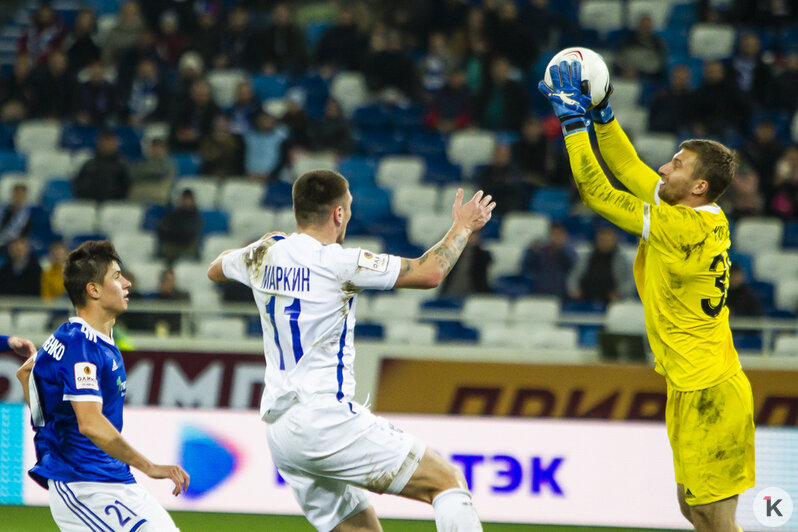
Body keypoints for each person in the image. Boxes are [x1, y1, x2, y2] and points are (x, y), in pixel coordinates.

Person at [207, 169, 493, 532]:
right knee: (447, 482)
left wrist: (259, 245)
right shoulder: (339, 262)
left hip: (280, 431)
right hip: (324, 419)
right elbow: (430, 272)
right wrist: (463, 226)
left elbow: (215, 269)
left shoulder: (264, 254)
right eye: (349, 208)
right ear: (338, 214)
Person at [539, 61, 754, 531]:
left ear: (698, 186)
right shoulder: (689, 210)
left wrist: (572, 125)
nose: (663, 166)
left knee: (718, 521)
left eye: (676, 165)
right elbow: (628, 166)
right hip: (690, 384)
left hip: (711, 391)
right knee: (691, 509)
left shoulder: (682, 228)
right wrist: (602, 112)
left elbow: (597, 193)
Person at [14, 240, 189, 531]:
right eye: (117, 276)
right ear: (93, 290)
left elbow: (27, 377)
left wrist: (36, 384)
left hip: (113, 478)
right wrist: (149, 466)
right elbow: (90, 423)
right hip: (83, 485)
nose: (128, 283)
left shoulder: (82, 338)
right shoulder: (81, 344)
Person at [72, 130, 130, 202]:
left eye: (110, 142)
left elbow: (126, 187)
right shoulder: (89, 165)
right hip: (88, 203)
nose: (106, 145)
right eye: (104, 141)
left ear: (116, 144)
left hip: (114, 204)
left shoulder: (122, 166)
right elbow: (78, 185)